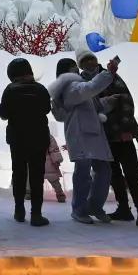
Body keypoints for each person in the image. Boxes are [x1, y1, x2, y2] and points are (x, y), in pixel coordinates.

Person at [77, 50, 138, 231]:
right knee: (113, 174)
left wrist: (126, 129)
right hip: (102, 136)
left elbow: (126, 102)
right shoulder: (83, 81)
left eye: (91, 60)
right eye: (85, 62)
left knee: (131, 174)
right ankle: (124, 208)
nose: (89, 64)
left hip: (120, 134)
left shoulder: (110, 77)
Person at [48, 56, 118, 226]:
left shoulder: (75, 88)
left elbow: (88, 104)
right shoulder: (69, 87)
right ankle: (79, 209)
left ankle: (94, 206)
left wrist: (107, 102)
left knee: (103, 170)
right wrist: (108, 73)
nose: (77, 70)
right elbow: (89, 89)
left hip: (91, 132)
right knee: (85, 172)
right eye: (73, 68)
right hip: (80, 134)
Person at [0, 58, 52, 226]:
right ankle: (36, 214)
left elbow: (3, 113)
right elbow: (47, 109)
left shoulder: (10, 90)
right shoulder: (40, 89)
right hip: (39, 137)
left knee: (19, 173)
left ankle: (19, 210)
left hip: (18, 138)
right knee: (37, 175)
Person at [44, 134, 66, 204]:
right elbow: (54, 149)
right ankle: (60, 194)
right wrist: (57, 160)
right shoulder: (47, 135)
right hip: (49, 161)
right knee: (54, 180)